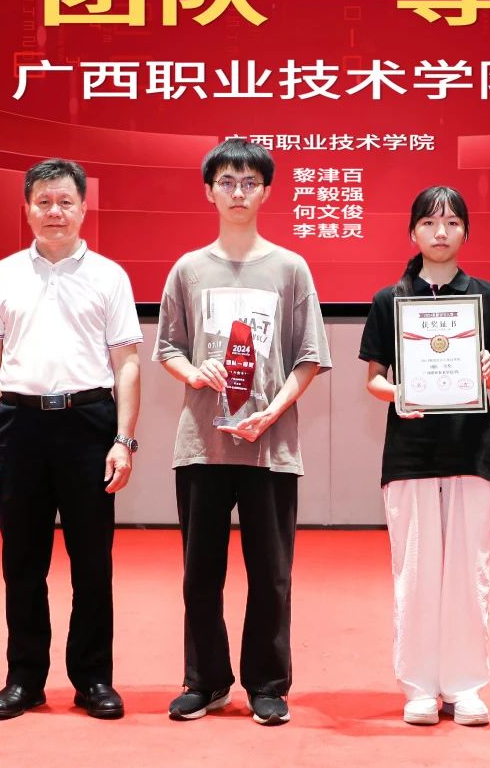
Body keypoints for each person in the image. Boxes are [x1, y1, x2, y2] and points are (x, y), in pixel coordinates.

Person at [153, 138, 331, 726]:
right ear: (209, 191)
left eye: (249, 182)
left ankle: (267, 685)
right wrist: (192, 372)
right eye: (227, 182)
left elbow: (308, 357)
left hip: (269, 447)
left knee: (271, 574)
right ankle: (204, 681)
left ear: (266, 192)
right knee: (200, 574)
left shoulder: (290, 268)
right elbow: (168, 347)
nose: (238, 192)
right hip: (201, 445)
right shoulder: (188, 268)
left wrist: (272, 411)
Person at [0, 158, 142, 721]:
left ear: (84, 207)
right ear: (27, 209)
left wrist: (124, 440)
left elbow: (127, 364)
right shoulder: (2, 275)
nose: (55, 212)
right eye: (43, 202)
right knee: (22, 561)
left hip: (89, 424)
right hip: (18, 426)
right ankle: (24, 680)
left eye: (65, 201)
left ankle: (93, 679)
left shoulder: (110, 277)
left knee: (92, 561)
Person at [358, 186, 490, 726]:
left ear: (466, 231)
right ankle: (420, 687)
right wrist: (398, 394)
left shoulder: (488, 298)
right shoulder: (389, 300)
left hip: (473, 452)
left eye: (451, 222)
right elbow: (374, 380)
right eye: (428, 222)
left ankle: (466, 686)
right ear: (413, 232)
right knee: (417, 572)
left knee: (470, 572)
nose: (440, 232)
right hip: (411, 454)